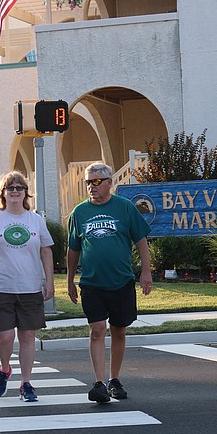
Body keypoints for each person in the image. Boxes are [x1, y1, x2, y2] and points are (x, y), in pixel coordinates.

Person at [66, 162, 153, 403]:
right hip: (92, 283)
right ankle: (99, 383)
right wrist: (70, 280)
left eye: (95, 182)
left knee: (119, 329)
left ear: (108, 183)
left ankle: (114, 379)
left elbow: (141, 240)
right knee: (97, 329)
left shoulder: (124, 208)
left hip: (122, 280)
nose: (91, 187)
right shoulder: (79, 213)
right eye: (87, 182)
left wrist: (146, 272)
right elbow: (73, 249)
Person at [0, 171, 54, 402]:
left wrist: (49, 281)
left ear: (25, 193)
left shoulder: (35, 220)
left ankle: (26, 383)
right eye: (11, 188)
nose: (15, 192)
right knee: (5, 338)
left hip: (29, 287)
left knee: (28, 336)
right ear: (3, 193)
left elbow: (46, 251)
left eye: (20, 188)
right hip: (0, 287)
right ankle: (4, 368)